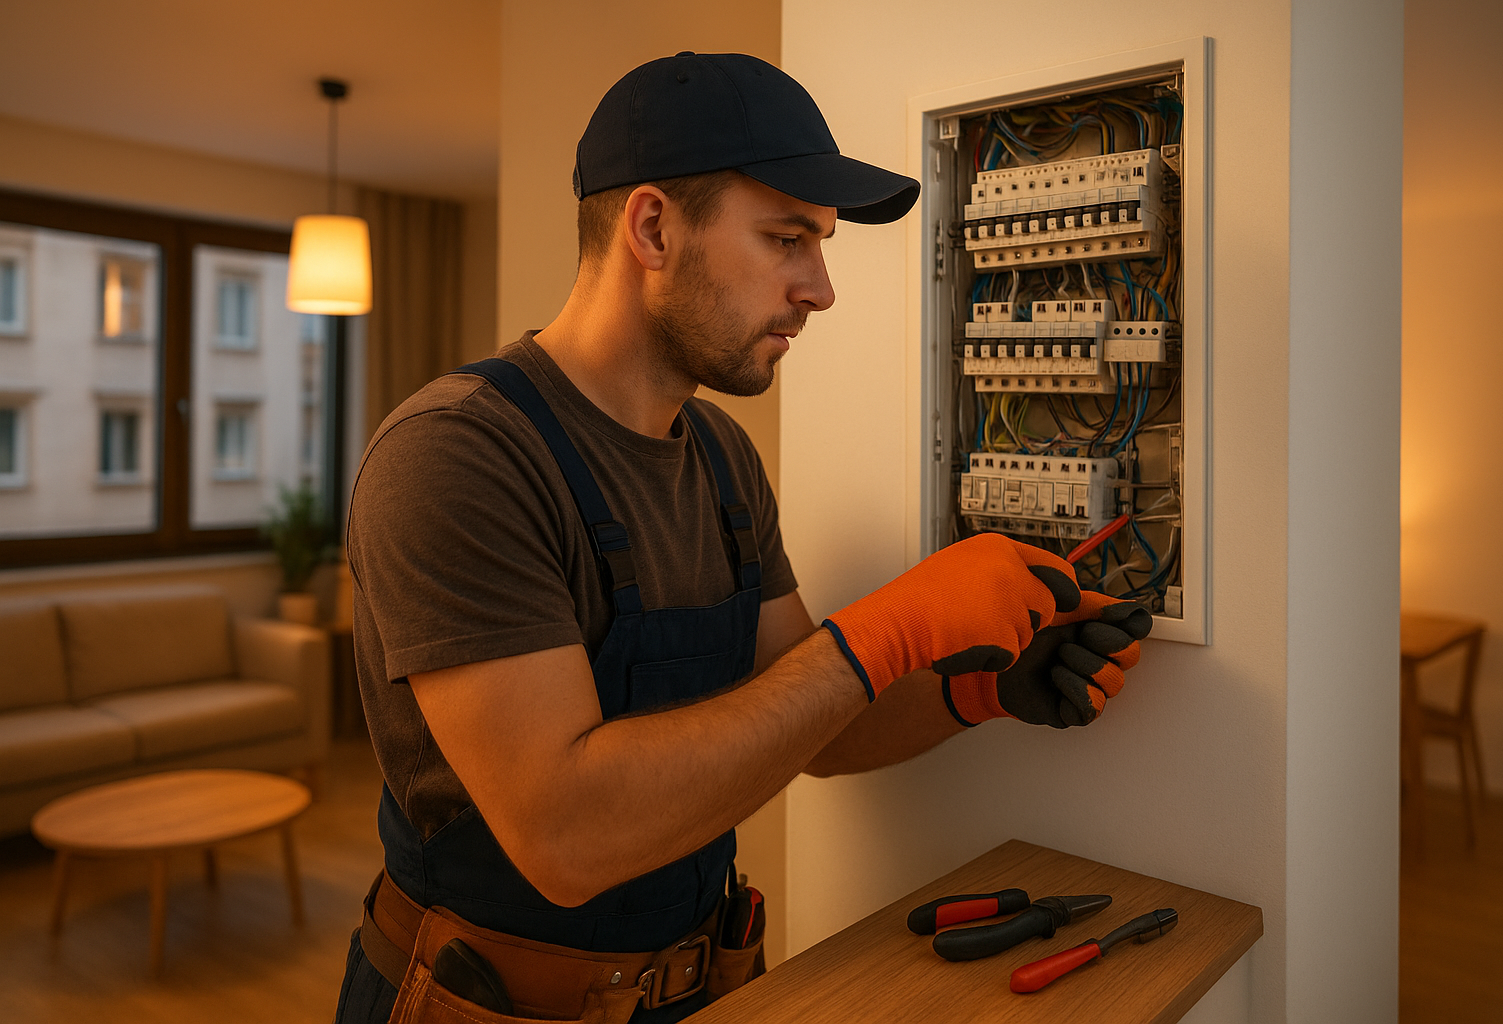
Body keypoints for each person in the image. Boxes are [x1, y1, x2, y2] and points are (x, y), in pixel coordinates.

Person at [334, 51, 1151, 1024]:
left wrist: (978, 687)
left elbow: (812, 718)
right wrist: (886, 629)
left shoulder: (718, 456)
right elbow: (564, 837)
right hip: (480, 1006)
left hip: (708, 988)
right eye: (785, 239)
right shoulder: (459, 458)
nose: (820, 287)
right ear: (652, 227)